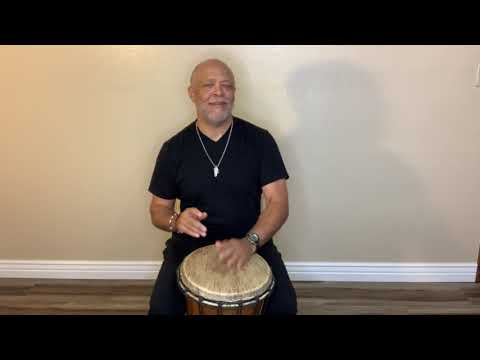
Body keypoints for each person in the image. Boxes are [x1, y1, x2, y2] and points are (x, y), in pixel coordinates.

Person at [147, 58, 297, 315]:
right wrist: (176, 221)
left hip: (252, 239)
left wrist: (250, 242)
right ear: (191, 93)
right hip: (188, 246)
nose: (219, 92)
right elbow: (158, 209)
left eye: (227, 86)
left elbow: (278, 203)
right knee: (160, 310)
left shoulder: (261, 141)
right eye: (208, 85)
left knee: (285, 307)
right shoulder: (173, 149)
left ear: (234, 93)